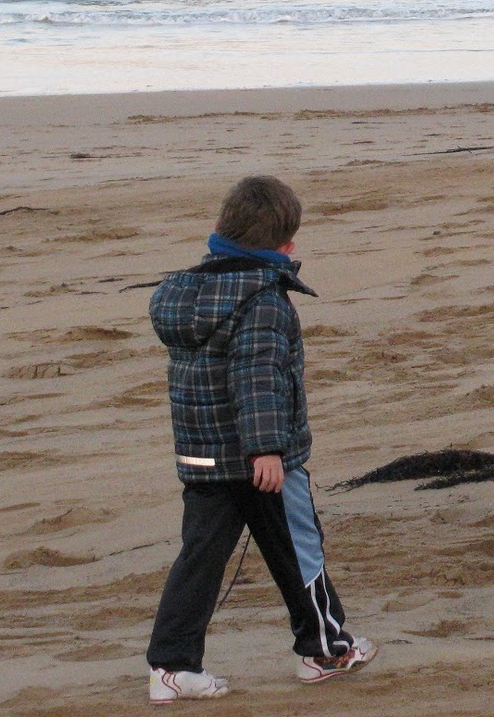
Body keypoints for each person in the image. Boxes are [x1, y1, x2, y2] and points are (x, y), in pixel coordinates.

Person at [145, 176, 375, 704]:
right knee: (299, 550)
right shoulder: (264, 301)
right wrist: (267, 448)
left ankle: (171, 668)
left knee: (200, 557)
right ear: (286, 249)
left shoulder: (182, 294)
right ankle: (325, 651)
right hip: (263, 461)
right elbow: (258, 378)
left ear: (217, 231)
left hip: (203, 456)